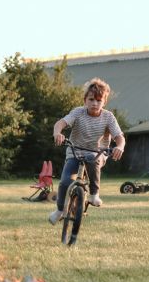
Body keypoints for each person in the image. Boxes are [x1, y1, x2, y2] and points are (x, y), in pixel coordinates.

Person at [49, 78, 125, 225]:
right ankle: (59, 211)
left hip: (97, 153)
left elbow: (119, 137)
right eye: (91, 99)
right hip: (75, 152)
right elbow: (61, 123)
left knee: (91, 157)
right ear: (85, 100)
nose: (94, 103)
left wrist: (120, 147)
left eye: (98, 100)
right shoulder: (78, 112)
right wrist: (57, 133)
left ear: (104, 102)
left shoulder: (108, 117)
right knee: (65, 182)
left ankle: (94, 194)